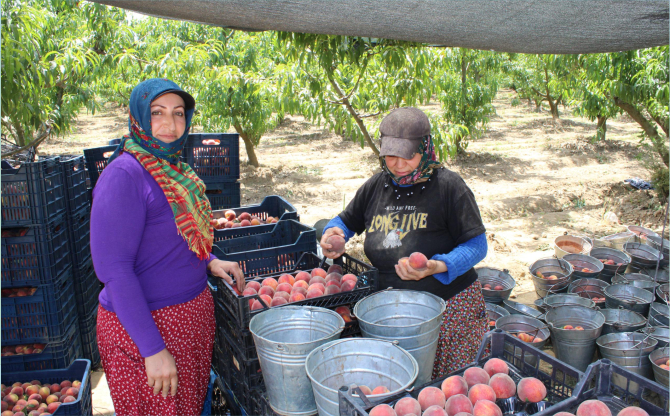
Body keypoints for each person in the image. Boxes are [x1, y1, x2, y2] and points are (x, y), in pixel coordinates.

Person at [90, 78, 244, 416]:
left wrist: (208, 260)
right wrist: (153, 349)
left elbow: (170, 239)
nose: (170, 125)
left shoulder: (173, 170)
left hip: (188, 323)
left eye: (178, 114)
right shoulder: (124, 175)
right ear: (139, 118)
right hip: (146, 330)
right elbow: (114, 270)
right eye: (157, 113)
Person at [320, 107, 488, 377]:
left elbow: (477, 245)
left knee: (446, 391)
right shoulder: (377, 186)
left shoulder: (449, 187)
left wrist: (436, 266)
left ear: (426, 147)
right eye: (390, 155)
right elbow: (345, 221)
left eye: (407, 155)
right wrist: (334, 235)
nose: (397, 164)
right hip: (392, 314)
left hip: (448, 311)